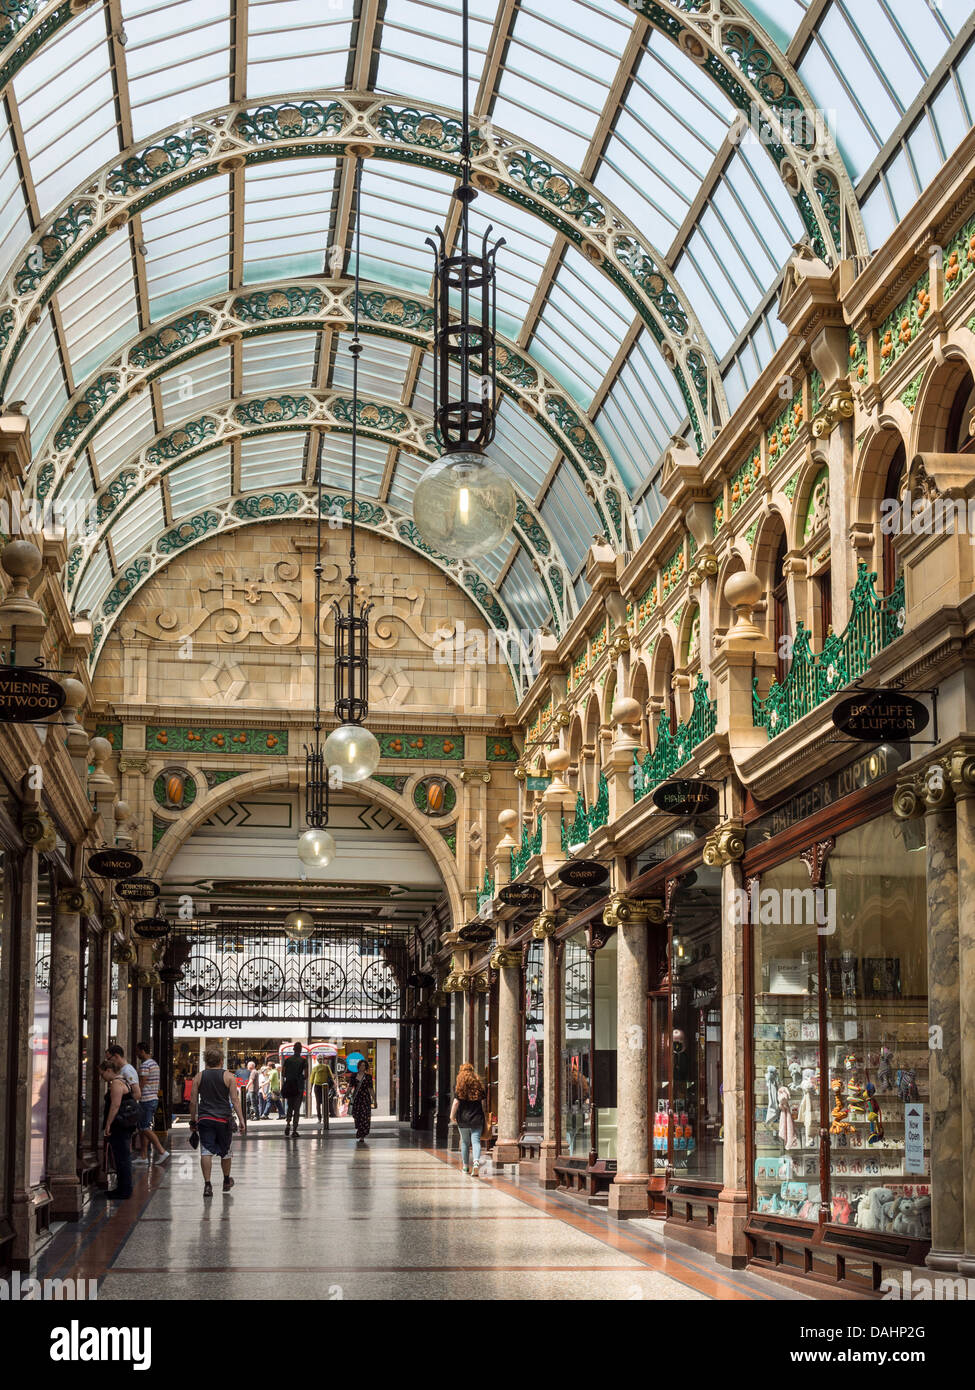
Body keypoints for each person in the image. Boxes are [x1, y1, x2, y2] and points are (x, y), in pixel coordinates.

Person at [189, 1046, 246, 1196]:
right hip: (223, 1119)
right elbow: (235, 1100)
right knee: (225, 1150)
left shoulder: (198, 1077)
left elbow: (193, 1101)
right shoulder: (229, 1077)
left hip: (205, 1118)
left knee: (206, 1151)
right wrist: (241, 1120)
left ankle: (207, 1185)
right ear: (221, 1060)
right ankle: (226, 1180)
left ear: (206, 1060)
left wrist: (192, 1120)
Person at [99, 1057, 136, 1200]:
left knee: (122, 1157)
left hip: (119, 1125)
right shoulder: (124, 1080)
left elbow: (115, 1105)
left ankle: (124, 1189)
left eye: (102, 1074)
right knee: (122, 1156)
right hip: (125, 1124)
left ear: (109, 1070)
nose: (102, 1077)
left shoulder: (116, 1083)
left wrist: (108, 1124)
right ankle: (123, 1188)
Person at [134, 1041, 170, 1166]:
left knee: (144, 1128)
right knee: (143, 1127)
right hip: (153, 1098)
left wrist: (135, 1095)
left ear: (142, 1051)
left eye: (137, 1051)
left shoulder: (145, 1065)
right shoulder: (154, 1064)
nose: (137, 1054)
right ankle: (143, 1155)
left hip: (146, 1099)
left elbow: (142, 1082)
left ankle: (161, 1151)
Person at [450, 1062, 487, 1177]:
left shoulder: (459, 1086)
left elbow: (456, 1103)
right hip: (477, 1117)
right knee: (476, 1141)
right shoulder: (479, 1086)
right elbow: (483, 1103)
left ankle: (466, 1167)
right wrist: (483, 1114)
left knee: (465, 1142)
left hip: (463, 1119)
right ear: (473, 1072)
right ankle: (476, 1163)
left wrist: (452, 1116)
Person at [282, 1042, 307, 1137]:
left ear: (293, 1049)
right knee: (297, 1108)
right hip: (299, 1086)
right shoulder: (303, 1061)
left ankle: (288, 1124)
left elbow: (283, 1074)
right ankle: (294, 1130)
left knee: (290, 1106)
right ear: (300, 1050)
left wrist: (290, 1076)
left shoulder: (288, 1060)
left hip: (289, 1085)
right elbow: (306, 1075)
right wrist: (300, 1077)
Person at [348, 1063, 374, 1144]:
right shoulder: (354, 1076)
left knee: (365, 1117)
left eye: (364, 1065)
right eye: (361, 1065)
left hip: (365, 1099)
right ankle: (360, 1130)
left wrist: (374, 1099)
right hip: (357, 1099)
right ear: (358, 1066)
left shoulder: (368, 1077)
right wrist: (345, 1096)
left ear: (366, 1067)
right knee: (357, 1116)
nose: (362, 1067)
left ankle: (362, 1135)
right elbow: (350, 1087)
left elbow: (370, 1089)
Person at [310, 1053, 334, 1128]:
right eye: (319, 1059)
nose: (320, 1060)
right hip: (317, 1086)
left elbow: (331, 1077)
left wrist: (333, 1085)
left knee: (325, 1103)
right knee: (318, 1103)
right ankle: (319, 1118)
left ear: (323, 1060)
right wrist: (310, 1089)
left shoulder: (326, 1067)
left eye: (321, 1059)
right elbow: (312, 1079)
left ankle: (324, 1117)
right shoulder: (315, 1068)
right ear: (317, 1060)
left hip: (325, 1086)